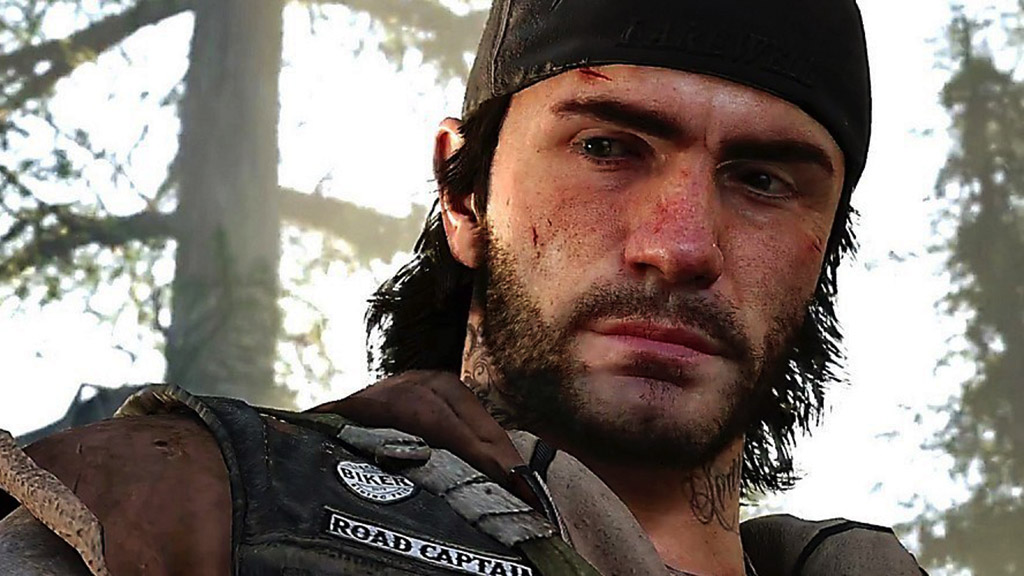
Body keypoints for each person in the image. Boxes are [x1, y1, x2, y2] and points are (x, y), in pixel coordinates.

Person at [0, 0, 927, 574]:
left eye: (763, 179)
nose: (679, 246)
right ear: (463, 191)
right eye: (607, 147)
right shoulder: (186, 519)